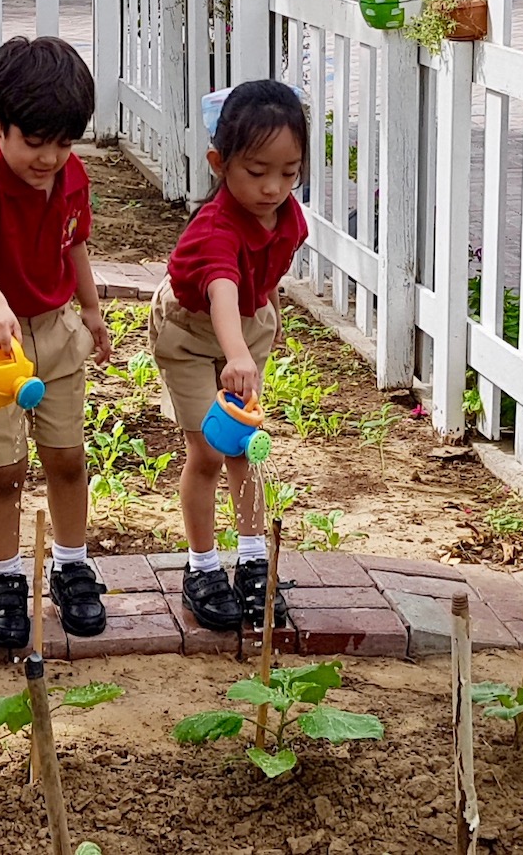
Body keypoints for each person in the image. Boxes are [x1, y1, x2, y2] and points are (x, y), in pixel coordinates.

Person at [0, 35, 114, 649]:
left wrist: (91, 311)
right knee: (6, 467)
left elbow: (75, 244)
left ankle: (72, 563)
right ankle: (5, 578)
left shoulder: (72, 177)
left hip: (57, 330)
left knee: (67, 456)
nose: (50, 158)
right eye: (35, 143)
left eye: (64, 143)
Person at [149, 79, 308, 632]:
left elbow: (260, 280)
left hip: (246, 327)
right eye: (256, 171)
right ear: (220, 163)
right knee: (210, 449)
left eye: (289, 173)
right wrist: (236, 353)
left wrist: (257, 328)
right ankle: (201, 567)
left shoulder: (291, 219)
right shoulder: (215, 226)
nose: (273, 188)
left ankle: (254, 558)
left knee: (249, 446)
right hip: (191, 333)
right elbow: (220, 287)